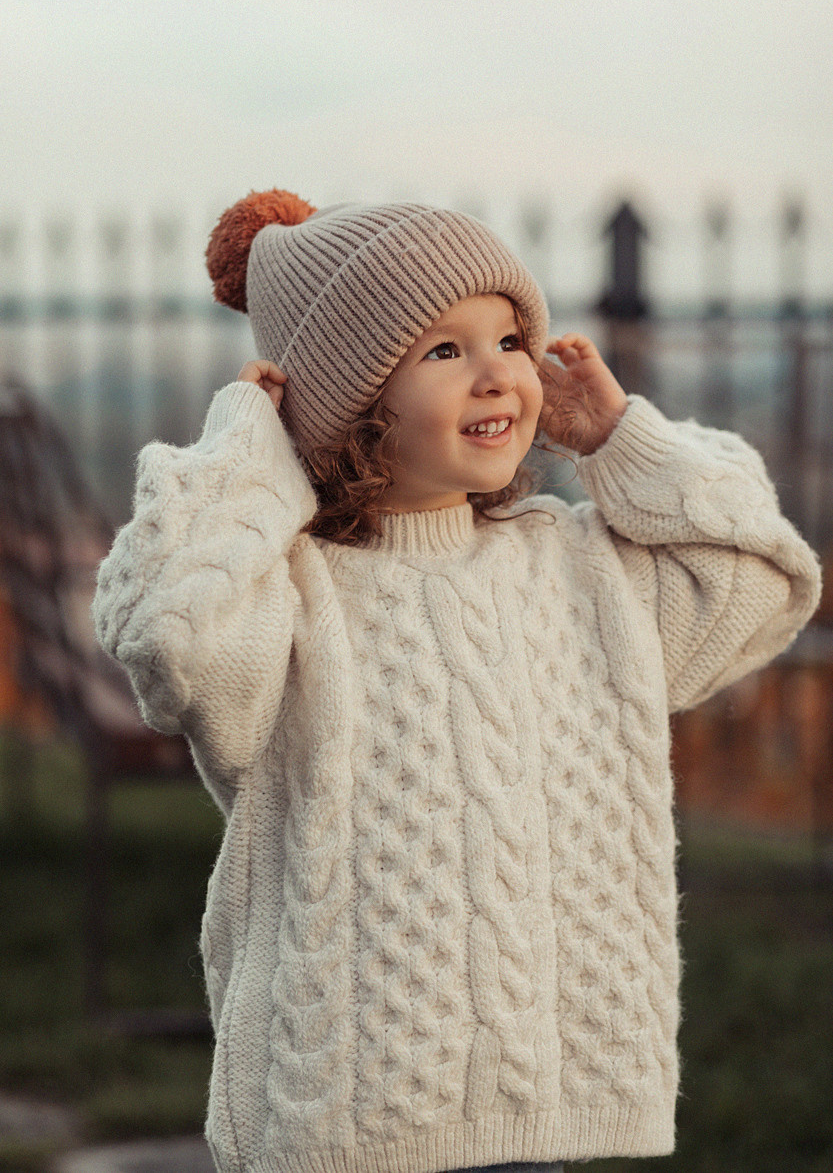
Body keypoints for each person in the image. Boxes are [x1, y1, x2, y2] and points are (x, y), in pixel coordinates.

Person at [92, 190, 821, 1173]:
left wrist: (616, 437)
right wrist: (249, 449)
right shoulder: (290, 592)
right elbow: (167, 629)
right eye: (443, 350)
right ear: (350, 397)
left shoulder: (579, 566)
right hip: (339, 1119)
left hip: (532, 1116)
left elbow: (761, 575)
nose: (496, 375)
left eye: (510, 338)